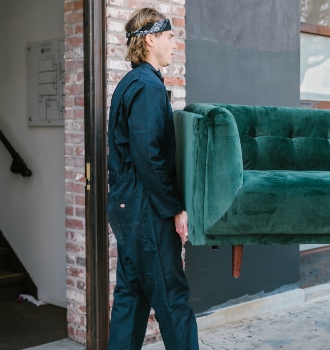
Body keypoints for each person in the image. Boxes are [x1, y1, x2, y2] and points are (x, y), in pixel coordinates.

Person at [106, 7, 198, 349]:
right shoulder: (146, 86)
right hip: (146, 208)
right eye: (170, 37)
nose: (175, 44)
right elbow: (149, 157)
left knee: (131, 296)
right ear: (150, 39)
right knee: (173, 300)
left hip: (128, 204)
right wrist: (175, 209)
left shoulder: (132, 83)